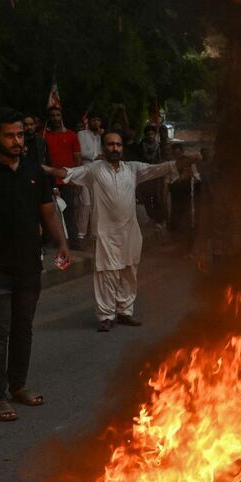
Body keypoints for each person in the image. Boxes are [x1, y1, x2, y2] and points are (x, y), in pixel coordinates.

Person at [0, 109, 70, 422]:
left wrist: (62, 243)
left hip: (29, 265)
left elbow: (48, 212)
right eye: (10, 135)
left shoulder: (33, 169)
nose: (17, 141)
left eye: (20, 135)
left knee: (24, 329)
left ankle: (18, 385)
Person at [48, 130, 191, 331]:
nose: (115, 148)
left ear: (122, 148)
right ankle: (106, 316)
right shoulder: (94, 169)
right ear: (103, 147)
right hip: (105, 233)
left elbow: (161, 168)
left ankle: (125, 311)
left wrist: (189, 160)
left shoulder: (132, 169)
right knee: (106, 274)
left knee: (128, 272)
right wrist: (43, 169)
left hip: (130, 233)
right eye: (110, 144)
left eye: (118, 144)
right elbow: (67, 173)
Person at [42, 104, 81, 247]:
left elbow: (77, 158)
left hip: (67, 179)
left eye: (58, 115)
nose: (55, 118)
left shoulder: (71, 135)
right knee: (49, 212)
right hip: (49, 180)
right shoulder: (43, 135)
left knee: (69, 211)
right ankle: (52, 242)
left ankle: (74, 242)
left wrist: (77, 180)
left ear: (62, 117)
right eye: (52, 116)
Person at [75, 112, 104, 244]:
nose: (96, 123)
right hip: (85, 169)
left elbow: (103, 153)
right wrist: (95, 156)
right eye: (94, 120)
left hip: (97, 171)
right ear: (89, 121)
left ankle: (94, 233)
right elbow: (82, 152)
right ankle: (81, 234)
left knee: (96, 203)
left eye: (99, 120)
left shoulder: (99, 136)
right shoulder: (82, 134)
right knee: (85, 203)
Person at [135, 124, 170, 226]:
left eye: (152, 134)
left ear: (155, 134)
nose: (150, 136)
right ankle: (151, 216)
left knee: (156, 197)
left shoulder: (159, 145)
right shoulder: (142, 146)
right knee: (146, 198)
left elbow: (164, 155)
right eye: (148, 134)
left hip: (156, 175)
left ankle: (158, 219)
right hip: (145, 174)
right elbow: (140, 159)